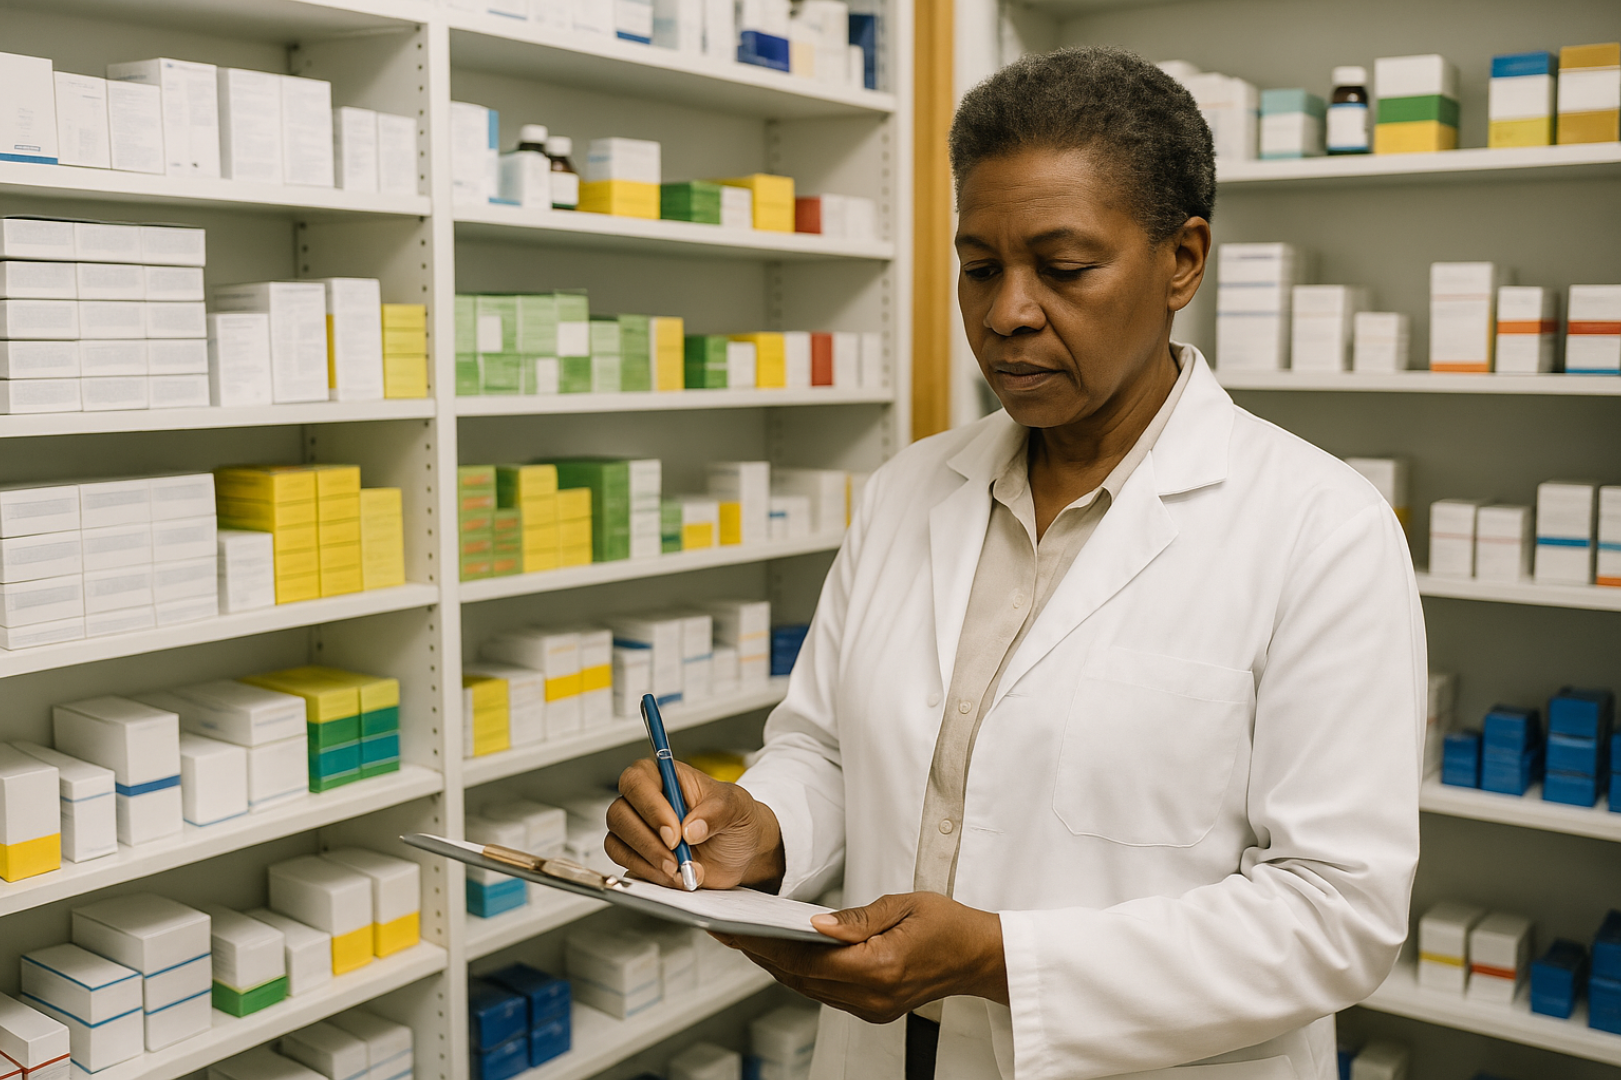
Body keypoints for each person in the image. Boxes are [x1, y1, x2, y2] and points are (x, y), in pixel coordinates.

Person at [606, 46, 1424, 1080]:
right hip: (880, 1050)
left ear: (1183, 259)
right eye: (980, 266)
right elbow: (826, 747)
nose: (1006, 314)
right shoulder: (910, 490)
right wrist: (760, 825)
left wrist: (1001, 959)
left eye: (1064, 267)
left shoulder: (1321, 530)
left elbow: (1334, 918)